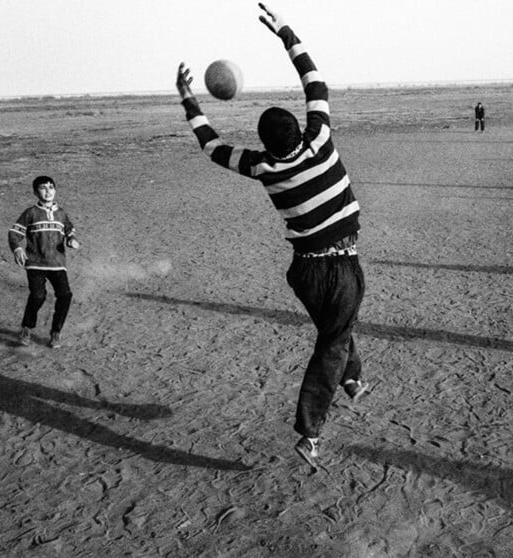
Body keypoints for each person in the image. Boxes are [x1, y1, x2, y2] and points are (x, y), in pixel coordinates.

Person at [175, 3, 367, 469]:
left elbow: (213, 147)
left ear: (267, 143)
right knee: (333, 339)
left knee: (336, 330)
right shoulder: (321, 139)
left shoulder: (264, 167)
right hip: (338, 265)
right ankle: (309, 431)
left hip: (304, 271)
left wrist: (189, 100)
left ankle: (353, 379)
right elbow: (314, 81)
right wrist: (285, 32)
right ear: (299, 129)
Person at [8, 176, 80, 348]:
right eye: (43, 188)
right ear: (35, 192)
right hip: (35, 262)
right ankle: (27, 327)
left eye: (51, 187)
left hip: (57, 263)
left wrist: (72, 240)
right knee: (38, 296)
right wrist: (17, 248)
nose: (48, 191)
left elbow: (69, 229)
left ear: (55, 190)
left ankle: (56, 332)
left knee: (65, 295)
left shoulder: (61, 213)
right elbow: (14, 233)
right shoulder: (30, 213)